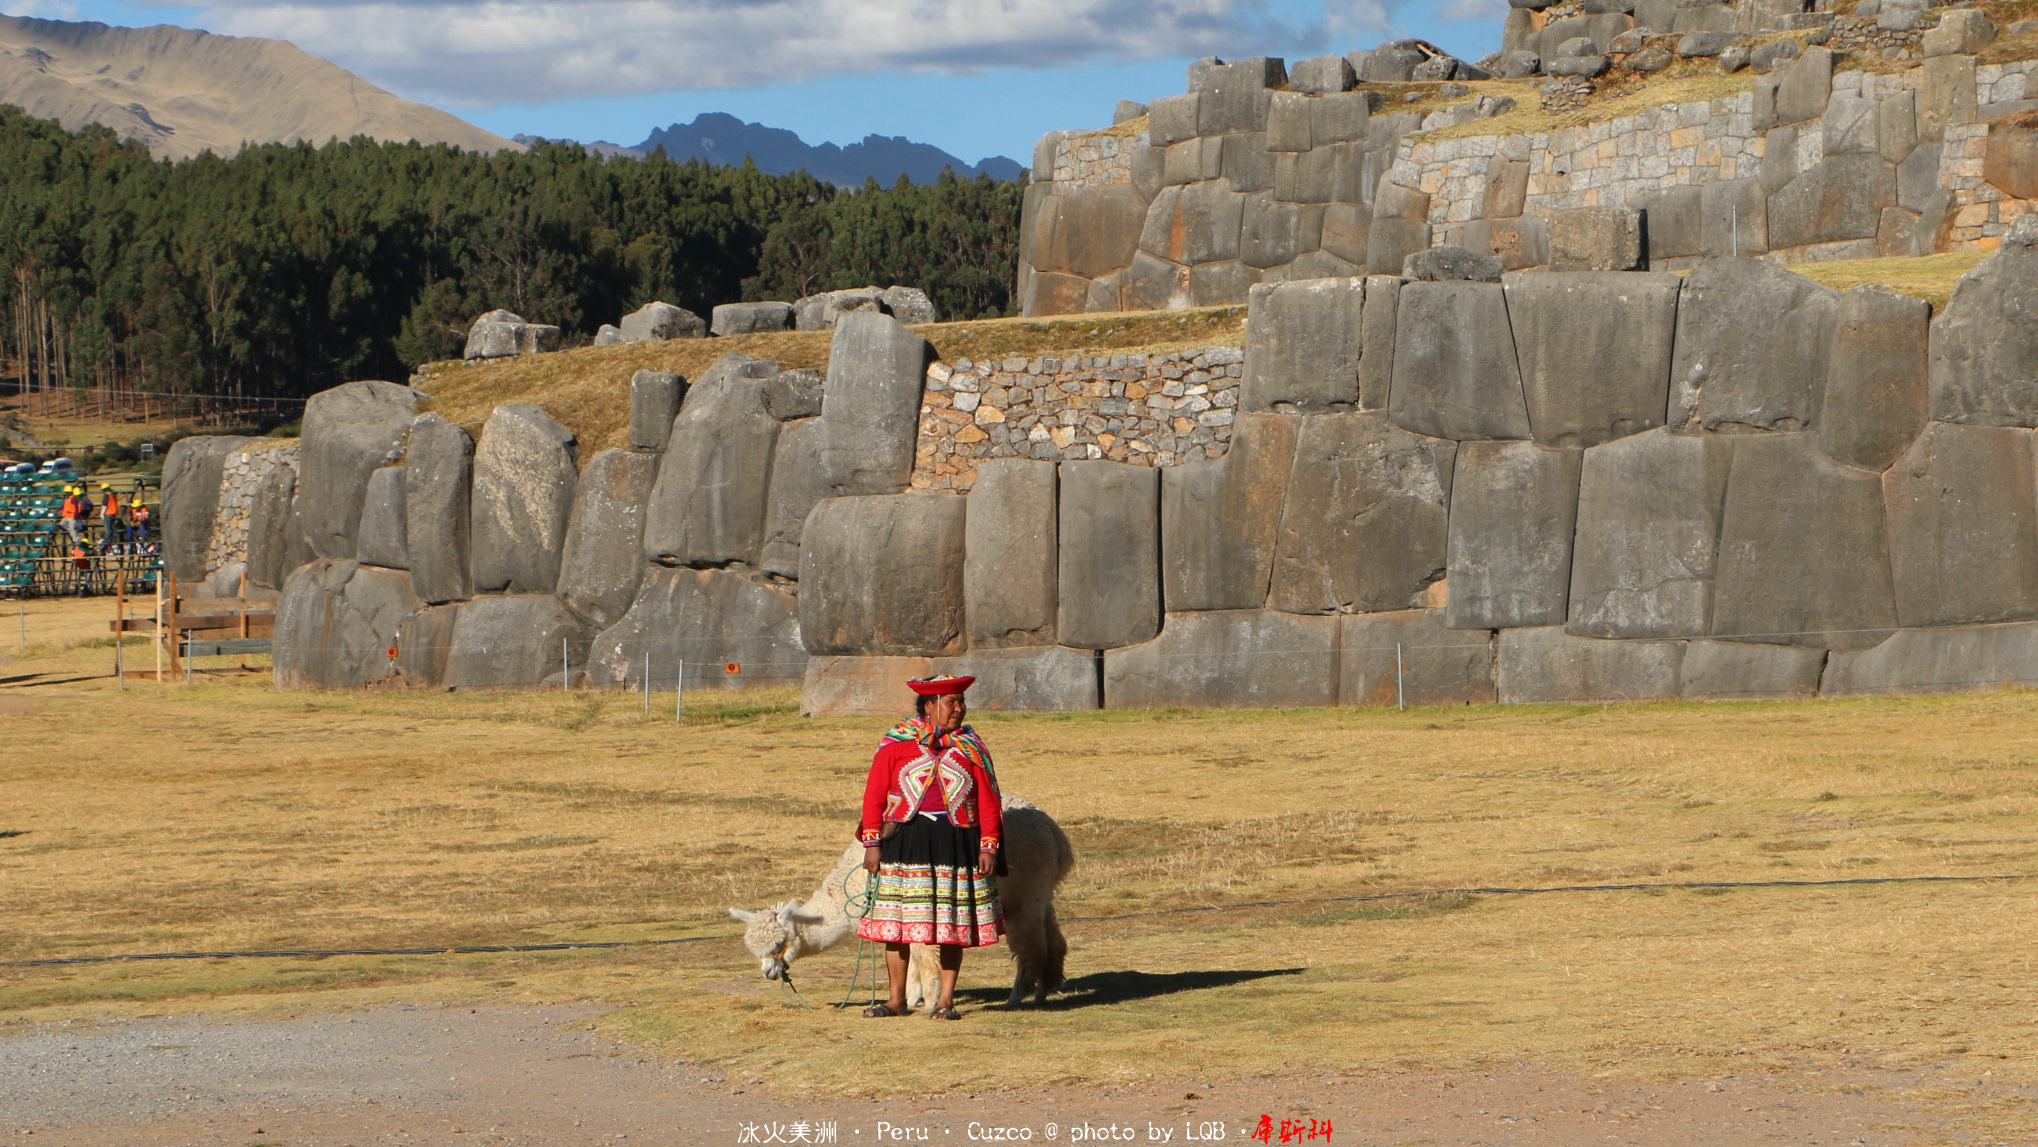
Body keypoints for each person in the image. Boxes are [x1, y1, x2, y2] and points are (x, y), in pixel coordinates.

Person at [854, 674, 1004, 1020]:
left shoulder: (970, 747)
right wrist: (872, 843)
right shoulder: (895, 746)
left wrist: (989, 846)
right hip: (906, 840)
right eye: (951, 702)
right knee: (898, 925)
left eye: (961, 702)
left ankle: (945, 1001)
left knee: (951, 924)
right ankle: (896, 999)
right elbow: (874, 797)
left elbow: (988, 801)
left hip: (957, 840)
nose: (958, 709)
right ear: (929, 706)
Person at [98, 484, 122, 549]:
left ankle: (107, 543)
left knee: (108, 530)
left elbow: (104, 505)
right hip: (113, 513)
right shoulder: (113, 494)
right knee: (113, 529)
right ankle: (114, 542)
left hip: (108, 513)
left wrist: (102, 513)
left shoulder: (106, 495)